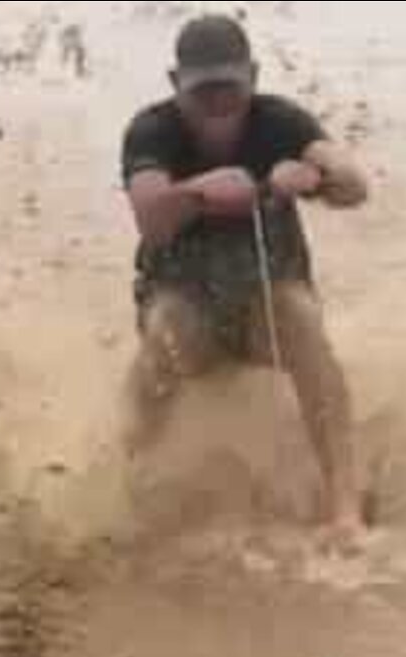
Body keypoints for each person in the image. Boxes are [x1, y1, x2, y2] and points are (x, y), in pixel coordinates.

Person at [119, 14, 370, 542]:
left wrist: (314, 179)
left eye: (229, 88)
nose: (217, 104)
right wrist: (197, 193)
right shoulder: (153, 130)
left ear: (252, 76)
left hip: (266, 311)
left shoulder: (280, 123)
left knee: (300, 317)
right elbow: (149, 215)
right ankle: (127, 488)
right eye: (202, 90)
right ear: (175, 84)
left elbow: (355, 185)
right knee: (166, 324)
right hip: (189, 315)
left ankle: (345, 509)